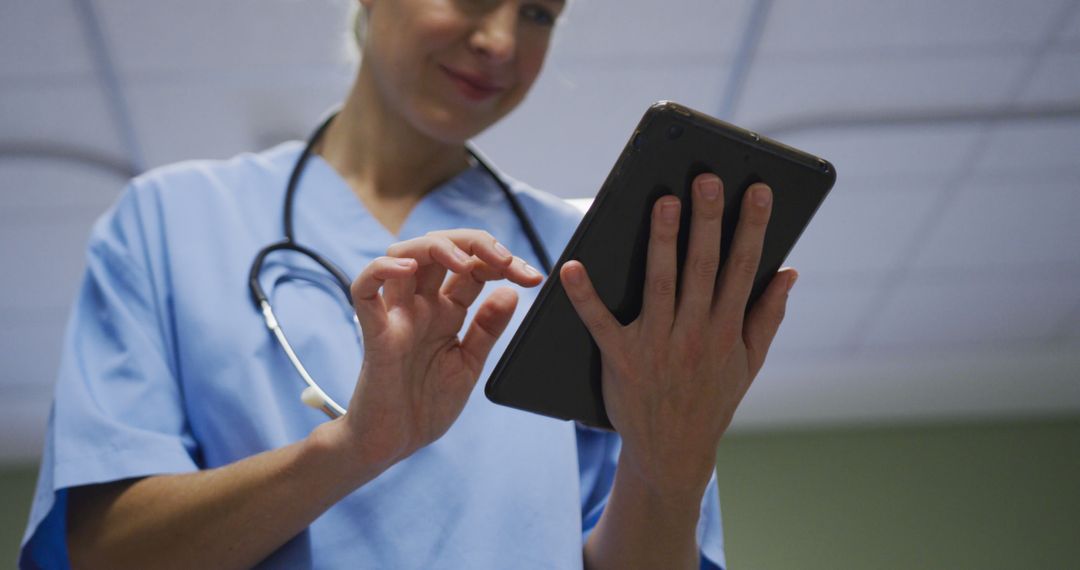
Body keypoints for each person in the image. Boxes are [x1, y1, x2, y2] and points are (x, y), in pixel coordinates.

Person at [21, 0, 797, 568]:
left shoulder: (582, 263)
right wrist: (357, 448)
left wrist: (673, 461)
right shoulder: (171, 221)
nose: (500, 40)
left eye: (538, 13)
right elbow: (102, 555)